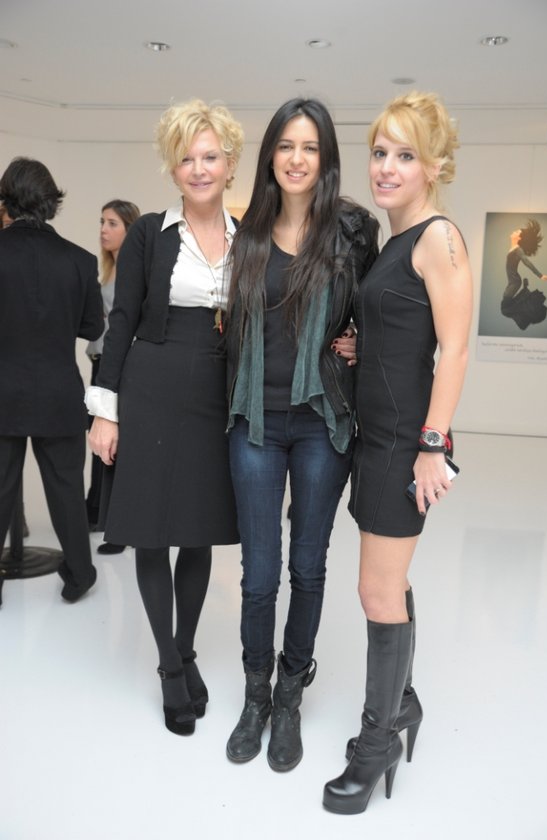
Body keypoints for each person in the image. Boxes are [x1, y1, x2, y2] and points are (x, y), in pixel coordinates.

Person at [322, 91, 473, 814]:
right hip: (375, 434)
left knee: (375, 591)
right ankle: (402, 702)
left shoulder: (438, 237)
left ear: (434, 166)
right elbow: (406, 333)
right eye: (380, 152)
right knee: (390, 582)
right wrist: (363, 345)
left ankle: (376, 741)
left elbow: (455, 349)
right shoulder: (394, 242)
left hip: (404, 443)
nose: (385, 167)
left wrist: (432, 446)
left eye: (404, 155)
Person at [225, 98, 379, 771]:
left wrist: (362, 342)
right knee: (259, 573)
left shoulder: (353, 232)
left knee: (307, 566)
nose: (296, 158)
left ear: (325, 158)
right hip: (255, 421)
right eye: (286, 145)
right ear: (270, 156)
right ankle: (255, 695)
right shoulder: (247, 233)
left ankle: (290, 694)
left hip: (321, 420)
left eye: (310, 147)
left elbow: (381, 309)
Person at [86, 100, 243, 735]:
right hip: (150, 390)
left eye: (209, 156)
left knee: (198, 532)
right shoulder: (150, 233)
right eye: (186, 158)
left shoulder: (248, 236)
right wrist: (105, 411)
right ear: (172, 168)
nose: (198, 169)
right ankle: (169, 667)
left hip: (214, 395)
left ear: (229, 163)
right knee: (151, 532)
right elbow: (121, 321)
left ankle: (187, 648)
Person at [0, 157, 104, 606]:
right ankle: (80, 574)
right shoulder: (80, 260)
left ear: (6, 200)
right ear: (50, 201)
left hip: (3, 391)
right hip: (60, 392)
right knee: (66, 490)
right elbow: (92, 326)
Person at [85, 199, 140, 555]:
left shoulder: (134, 271)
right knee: (100, 440)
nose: (104, 230)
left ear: (129, 229)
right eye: (102, 222)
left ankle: (119, 528)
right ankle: (98, 512)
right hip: (101, 362)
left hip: (118, 364)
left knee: (116, 444)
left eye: (112, 223)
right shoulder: (109, 270)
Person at [500, 220, 547, 330]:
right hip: (513, 281)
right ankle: (525, 293)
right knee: (506, 308)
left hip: (514, 281)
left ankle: (528, 304)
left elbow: (526, 262)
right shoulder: (514, 248)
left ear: (519, 238)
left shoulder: (518, 250)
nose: (514, 232)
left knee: (505, 309)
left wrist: (540, 275)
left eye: (517, 232)